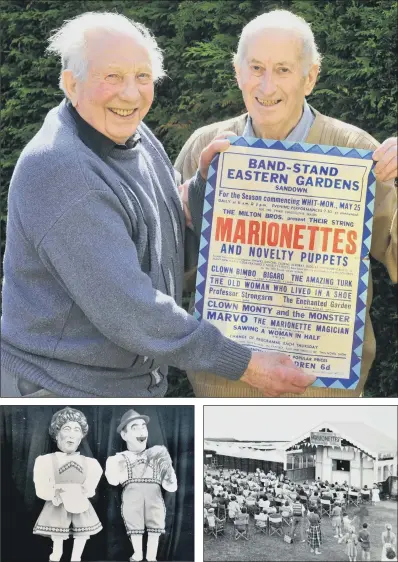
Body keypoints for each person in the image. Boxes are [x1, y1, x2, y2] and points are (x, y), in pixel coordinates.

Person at [0, 11, 313, 399]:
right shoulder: (62, 169)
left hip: (123, 387)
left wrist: (208, 188)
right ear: (71, 84)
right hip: (58, 392)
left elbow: (163, 245)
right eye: (112, 76)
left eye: (142, 77)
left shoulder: (135, 136)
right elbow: (131, 312)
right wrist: (245, 364)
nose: (130, 94)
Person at [175, 8, 398, 398]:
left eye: (282, 70)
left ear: (310, 77)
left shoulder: (356, 152)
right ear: (237, 71)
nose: (266, 85)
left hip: (320, 392)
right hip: (224, 388)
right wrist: (192, 206)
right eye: (256, 67)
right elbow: (169, 269)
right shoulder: (203, 148)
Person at [105, 409, 177, 562]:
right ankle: (137, 554)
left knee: (155, 526)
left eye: (143, 426)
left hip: (155, 498)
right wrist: (114, 465)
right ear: (124, 435)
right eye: (134, 427)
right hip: (132, 498)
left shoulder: (158, 454)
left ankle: (152, 557)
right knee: (134, 524)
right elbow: (112, 480)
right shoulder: (119, 458)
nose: (141, 430)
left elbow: (171, 486)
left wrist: (167, 464)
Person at [33, 407, 102, 562]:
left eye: (77, 429)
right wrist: (53, 494)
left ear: (81, 436)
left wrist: (83, 492)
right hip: (58, 503)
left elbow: (90, 489)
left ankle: (76, 558)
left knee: (82, 534)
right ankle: (56, 556)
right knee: (58, 538)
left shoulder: (91, 464)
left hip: (80, 503)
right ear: (57, 434)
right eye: (67, 428)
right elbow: (41, 487)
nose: (72, 433)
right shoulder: (45, 461)